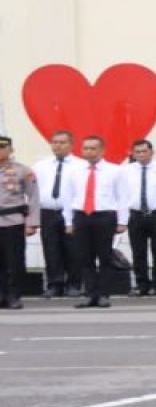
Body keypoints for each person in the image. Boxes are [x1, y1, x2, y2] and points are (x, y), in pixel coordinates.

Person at [62, 135, 128, 309]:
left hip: (104, 216)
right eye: (86, 148)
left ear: (102, 150)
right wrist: (68, 222)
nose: (89, 152)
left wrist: (122, 221)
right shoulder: (75, 171)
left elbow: (122, 197)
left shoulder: (115, 171)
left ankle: (104, 294)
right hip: (82, 216)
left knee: (105, 257)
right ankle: (90, 294)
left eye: (93, 148)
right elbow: (68, 198)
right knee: (84, 258)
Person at [31, 131, 84, 297]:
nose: (58, 146)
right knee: (51, 249)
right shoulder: (40, 166)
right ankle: (55, 284)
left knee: (74, 249)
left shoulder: (81, 165)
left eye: (62, 142)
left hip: (73, 213)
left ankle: (74, 284)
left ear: (71, 144)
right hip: (47, 212)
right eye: (54, 142)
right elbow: (33, 191)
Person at [123, 139, 156, 296]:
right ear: (133, 154)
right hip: (136, 215)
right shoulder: (126, 171)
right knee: (138, 252)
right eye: (138, 152)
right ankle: (141, 284)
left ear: (152, 152)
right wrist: (122, 219)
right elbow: (122, 196)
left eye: (144, 151)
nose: (141, 155)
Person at [0, 135, 39, 309]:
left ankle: (13, 295)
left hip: (13, 222)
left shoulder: (23, 171)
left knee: (14, 261)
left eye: (2, 147)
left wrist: (32, 222)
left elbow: (34, 197)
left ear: (11, 150)